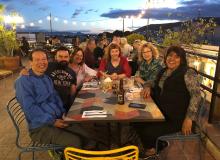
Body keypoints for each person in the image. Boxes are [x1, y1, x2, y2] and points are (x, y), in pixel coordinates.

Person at [15, 49, 97, 150]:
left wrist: (62, 113)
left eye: (44, 59)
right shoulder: (23, 81)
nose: (41, 62)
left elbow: (55, 97)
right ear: (30, 62)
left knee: (88, 137)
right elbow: (30, 108)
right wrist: (52, 121)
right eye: (37, 59)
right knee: (76, 142)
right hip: (40, 127)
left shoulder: (46, 78)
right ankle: (66, 155)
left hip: (58, 118)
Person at [134, 46, 202, 156]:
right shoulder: (163, 71)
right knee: (136, 120)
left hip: (177, 118)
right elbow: (153, 81)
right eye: (170, 56)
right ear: (166, 57)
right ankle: (157, 144)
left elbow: (196, 96)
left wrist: (189, 119)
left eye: (177, 57)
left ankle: (153, 150)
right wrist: (147, 86)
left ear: (182, 59)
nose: (172, 59)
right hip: (160, 112)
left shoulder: (188, 73)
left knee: (148, 131)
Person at [20, 46, 77, 112]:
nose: (63, 59)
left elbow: (73, 91)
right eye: (60, 56)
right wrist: (25, 70)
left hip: (64, 107)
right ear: (55, 57)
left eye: (66, 57)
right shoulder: (48, 66)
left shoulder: (72, 72)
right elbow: (35, 67)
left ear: (69, 58)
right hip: (48, 106)